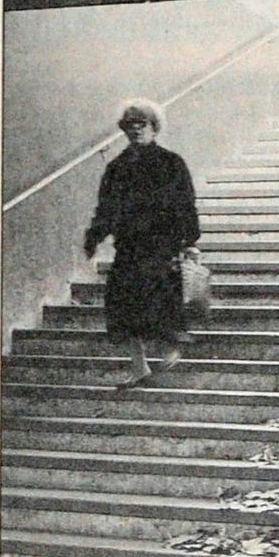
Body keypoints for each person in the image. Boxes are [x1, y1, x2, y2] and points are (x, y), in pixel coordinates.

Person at [83, 99, 201, 388]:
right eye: (130, 125)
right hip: (130, 247)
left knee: (160, 300)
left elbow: (186, 204)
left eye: (142, 124)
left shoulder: (171, 163)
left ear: (154, 128)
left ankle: (170, 348)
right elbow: (106, 208)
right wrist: (94, 237)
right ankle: (139, 367)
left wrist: (190, 241)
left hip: (163, 246)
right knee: (121, 305)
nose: (136, 130)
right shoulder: (117, 168)